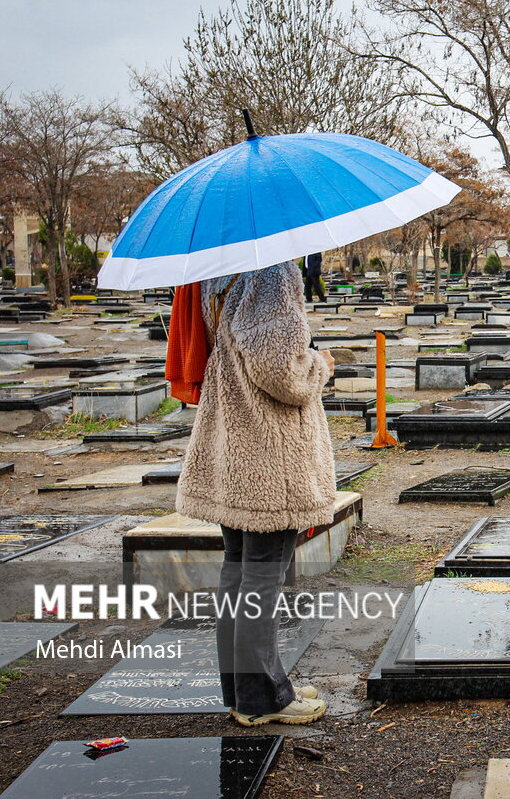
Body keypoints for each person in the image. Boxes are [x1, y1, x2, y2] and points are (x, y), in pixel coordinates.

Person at [176, 261, 335, 726]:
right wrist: (320, 365)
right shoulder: (271, 270)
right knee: (262, 576)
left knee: (239, 570)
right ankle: (265, 698)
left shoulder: (219, 268)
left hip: (233, 440)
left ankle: (246, 689)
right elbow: (281, 372)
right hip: (269, 451)